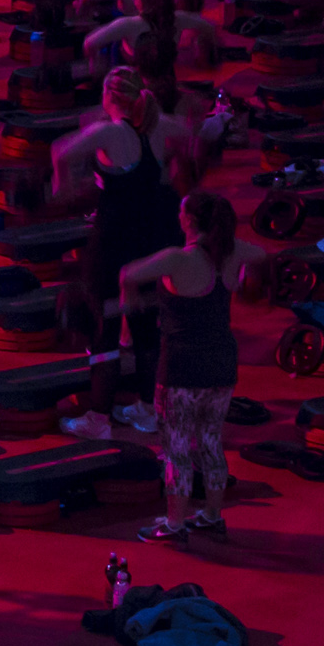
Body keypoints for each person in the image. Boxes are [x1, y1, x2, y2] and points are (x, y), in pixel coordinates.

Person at [120, 189, 255, 541]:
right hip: (222, 365)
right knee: (211, 442)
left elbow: (128, 273)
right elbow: (265, 256)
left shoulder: (177, 259)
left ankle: (175, 524)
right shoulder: (234, 251)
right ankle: (212, 515)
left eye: (181, 212)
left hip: (181, 369)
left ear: (189, 221)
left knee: (176, 449)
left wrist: (130, 303)